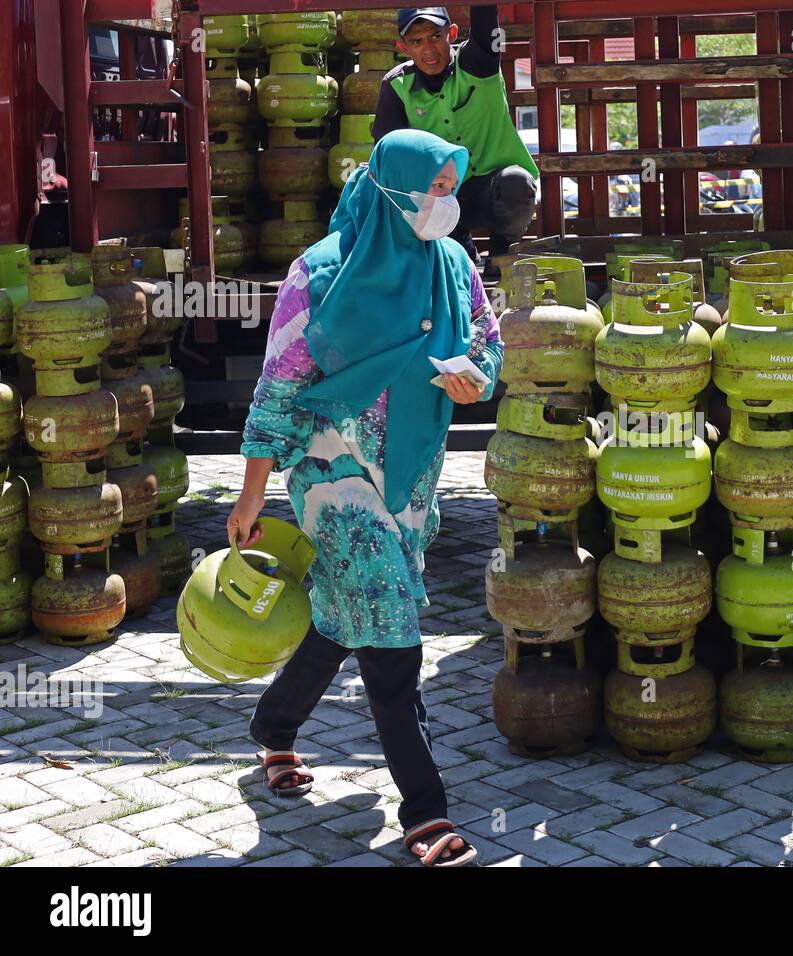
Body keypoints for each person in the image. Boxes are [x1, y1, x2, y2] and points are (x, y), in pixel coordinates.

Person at [230, 129, 502, 868]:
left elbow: (487, 338)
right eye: (433, 189)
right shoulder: (319, 273)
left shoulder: (452, 262)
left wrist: (474, 375)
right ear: (391, 187)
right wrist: (251, 496)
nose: (445, 205)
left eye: (452, 189)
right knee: (389, 626)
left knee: (345, 615)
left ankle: (273, 726)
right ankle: (426, 812)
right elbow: (277, 389)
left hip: (411, 469)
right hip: (331, 474)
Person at [372, 6, 538, 277]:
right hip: (441, 194)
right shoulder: (396, 86)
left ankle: (502, 252)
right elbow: (388, 156)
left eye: (435, 36)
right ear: (403, 47)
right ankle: (460, 252)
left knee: (517, 182)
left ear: (451, 33)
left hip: (493, 187)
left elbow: (485, 19)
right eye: (416, 41)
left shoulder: (477, 63)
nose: (428, 49)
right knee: (404, 188)